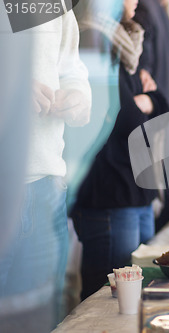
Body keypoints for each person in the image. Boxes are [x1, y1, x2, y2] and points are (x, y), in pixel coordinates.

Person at [0, 8, 92, 332]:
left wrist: (79, 97)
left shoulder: (54, 5)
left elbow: (72, 70)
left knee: (39, 321)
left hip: (47, 190)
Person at [71, 0, 169, 300]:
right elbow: (127, 118)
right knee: (107, 302)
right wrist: (143, 101)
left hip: (135, 191)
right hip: (109, 194)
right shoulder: (92, 37)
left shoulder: (125, 43)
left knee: (136, 297)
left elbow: (162, 107)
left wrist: (147, 100)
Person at [134, 0, 169, 232]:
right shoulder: (145, 9)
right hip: (155, 135)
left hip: (165, 131)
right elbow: (144, 77)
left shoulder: (158, 11)